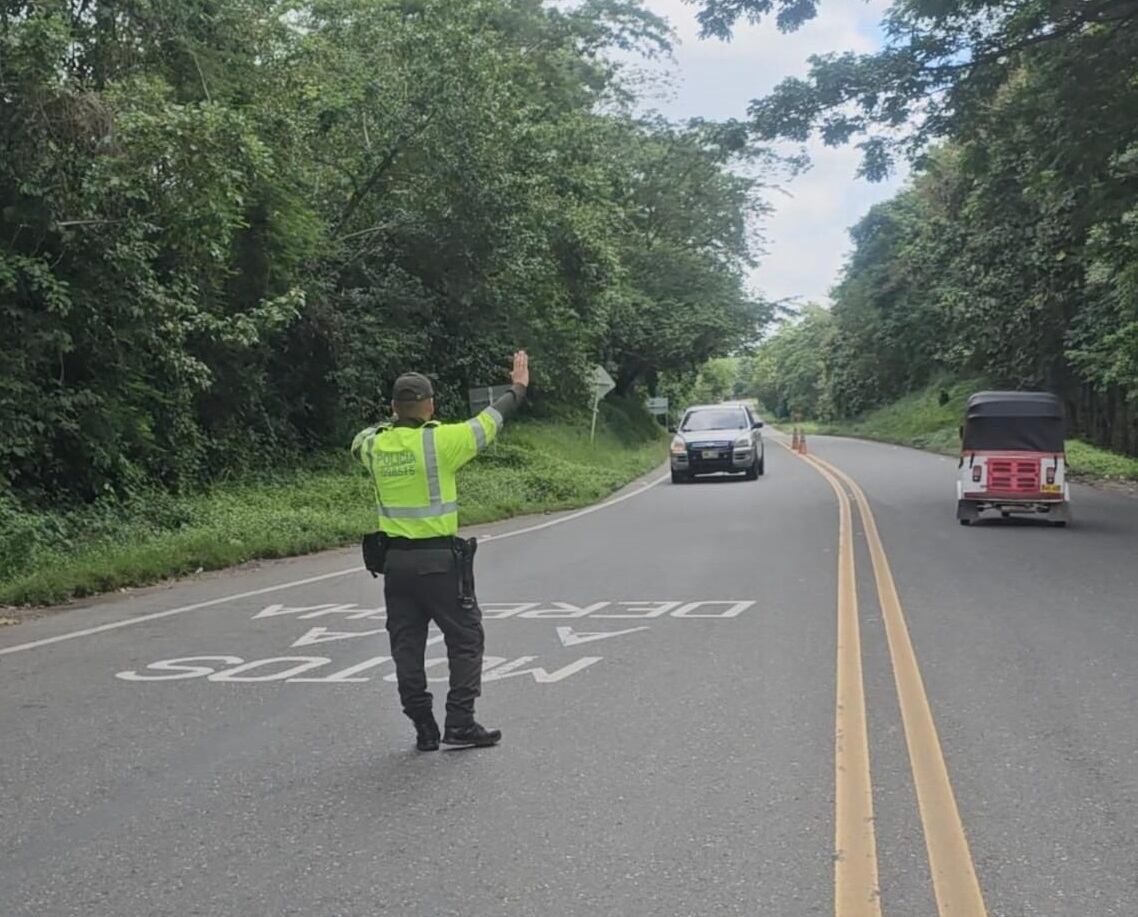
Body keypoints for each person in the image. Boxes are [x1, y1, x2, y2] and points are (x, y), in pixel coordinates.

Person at [351, 351, 530, 751]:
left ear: (393, 408)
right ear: (430, 405)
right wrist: (517, 388)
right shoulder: (443, 440)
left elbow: (359, 440)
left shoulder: (376, 446)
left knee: (406, 647)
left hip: (395, 566)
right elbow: (491, 420)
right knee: (466, 638)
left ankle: (423, 727)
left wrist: (390, 424)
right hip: (440, 565)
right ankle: (460, 723)